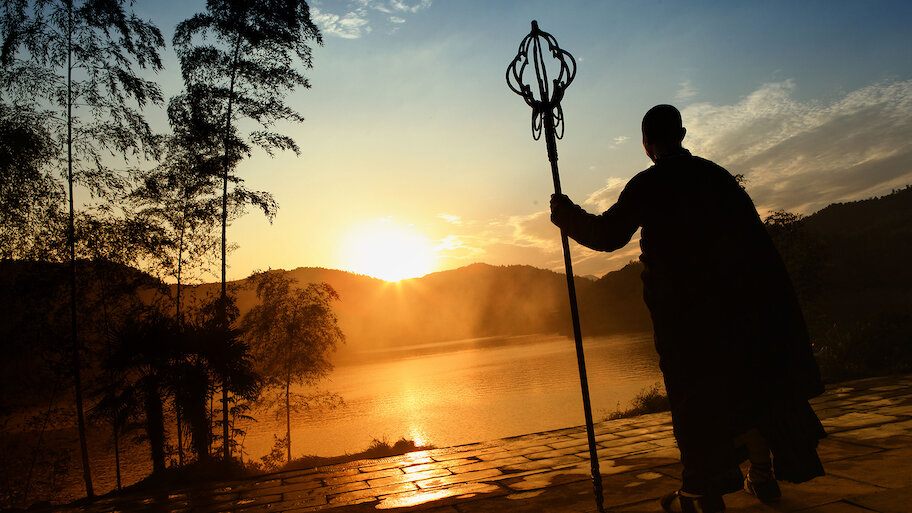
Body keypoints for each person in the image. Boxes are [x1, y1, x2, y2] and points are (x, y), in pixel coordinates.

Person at [550, 104, 826, 513]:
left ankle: (699, 493)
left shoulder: (650, 183)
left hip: (688, 318)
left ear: (647, 144)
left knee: (696, 399)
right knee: (751, 383)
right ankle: (763, 476)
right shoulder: (717, 177)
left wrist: (566, 215)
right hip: (746, 308)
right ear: (681, 133)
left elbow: (608, 235)